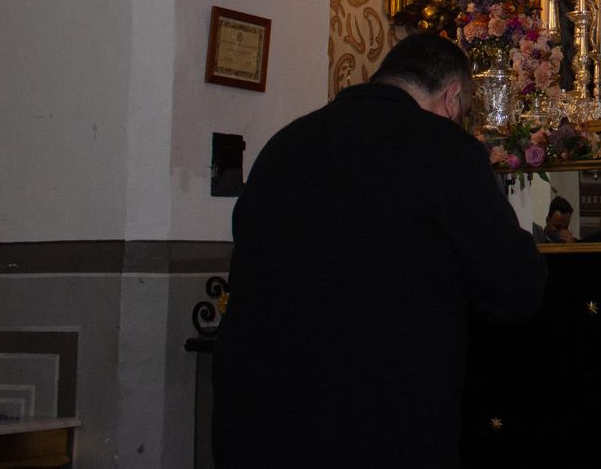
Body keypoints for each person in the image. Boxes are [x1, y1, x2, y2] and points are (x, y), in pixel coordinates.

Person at [213, 33, 545, 467]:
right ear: (452, 97)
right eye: (463, 114)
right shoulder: (444, 149)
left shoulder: (285, 144)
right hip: (377, 426)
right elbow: (518, 290)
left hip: (258, 420)